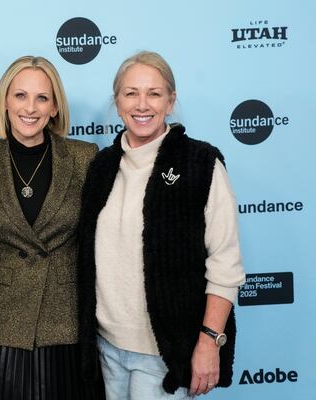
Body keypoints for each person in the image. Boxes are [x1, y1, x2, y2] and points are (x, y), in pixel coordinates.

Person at [78, 51, 246, 399]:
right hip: (106, 349)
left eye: (154, 93)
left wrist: (209, 342)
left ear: (170, 102)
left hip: (164, 356)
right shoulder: (102, 167)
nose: (142, 104)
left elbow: (225, 265)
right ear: (117, 102)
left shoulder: (201, 163)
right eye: (131, 93)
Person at [0, 56, 104, 400]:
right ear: (5, 101)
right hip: (3, 321)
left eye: (42, 98)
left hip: (65, 319)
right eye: (20, 96)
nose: (30, 108)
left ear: (55, 107)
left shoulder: (85, 157)